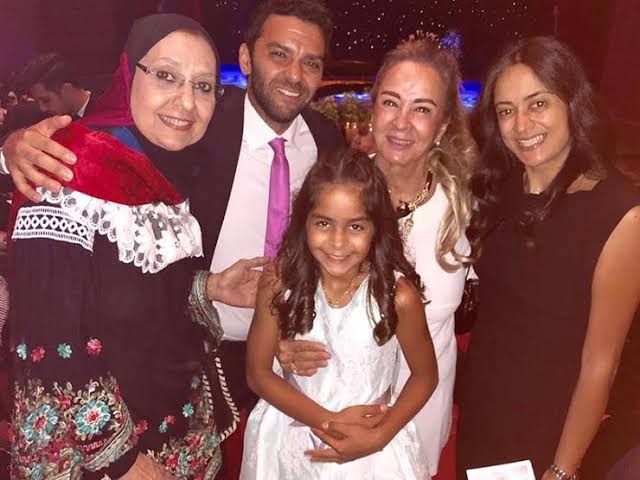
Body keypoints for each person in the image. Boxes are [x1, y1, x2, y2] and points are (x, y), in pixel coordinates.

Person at [1, 0, 343, 474]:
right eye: (165, 76)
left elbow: (143, 283)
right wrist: (11, 149)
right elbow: (54, 335)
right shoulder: (77, 168)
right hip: (123, 433)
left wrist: (212, 286)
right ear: (246, 59)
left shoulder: (323, 140)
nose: (186, 102)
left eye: (202, 85)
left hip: (209, 389)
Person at [278, 36, 476, 476]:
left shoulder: (466, 205)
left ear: (443, 124)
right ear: (373, 109)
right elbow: (287, 286)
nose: (401, 123)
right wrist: (282, 346)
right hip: (331, 412)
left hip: (419, 413)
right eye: (391, 102)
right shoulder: (333, 191)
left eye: (422, 109)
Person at [458, 36, 640, 479]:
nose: (521, 125)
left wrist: (562, 468)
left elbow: (601, 364)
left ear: (572, 104)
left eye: (538, 104)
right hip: (482, 412)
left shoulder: (620, 212)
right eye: (506, 111)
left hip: (546, 426)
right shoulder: (499, 189)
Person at [241, 148, 438, 479]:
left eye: (355, 227)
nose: (337, 242)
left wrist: (380, 436)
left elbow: (425, 375)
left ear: (376, 229)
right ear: (304, 222)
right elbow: (257, 373)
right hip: (292, 441)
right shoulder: (278, 282)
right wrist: (328, 423)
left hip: (372, 449)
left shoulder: (397, 296)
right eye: (323, 223)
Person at [19, 52, 94, 118]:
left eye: (46, 100)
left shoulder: (100, 114)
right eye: (37, 102)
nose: (42, 109)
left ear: (67, 90)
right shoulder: (47, 120)